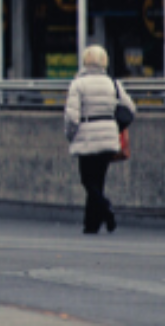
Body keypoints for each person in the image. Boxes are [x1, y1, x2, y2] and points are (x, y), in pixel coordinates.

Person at [64, 45, 137, 234]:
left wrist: (70, 135)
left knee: (87, 181)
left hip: (86, 135)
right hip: (108, 136)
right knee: (98, 180)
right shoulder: (113, 83)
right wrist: (115, 126)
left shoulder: (78, 84)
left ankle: (106, 208)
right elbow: (130, 108)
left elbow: (72, 117)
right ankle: (91, 224)